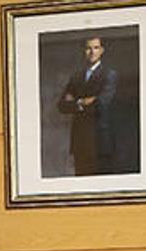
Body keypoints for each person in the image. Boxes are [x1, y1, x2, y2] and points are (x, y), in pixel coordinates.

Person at [57, 35, 118, 176]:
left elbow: (102, 103)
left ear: (102, 50)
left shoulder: (109, 75)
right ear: (84, 51)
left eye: (96, 48)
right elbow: (61, 105)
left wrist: (75, 101)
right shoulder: (76, 77)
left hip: (100, 142)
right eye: (88, 48)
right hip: (80, 142)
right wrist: (81, 102)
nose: (92, 52)